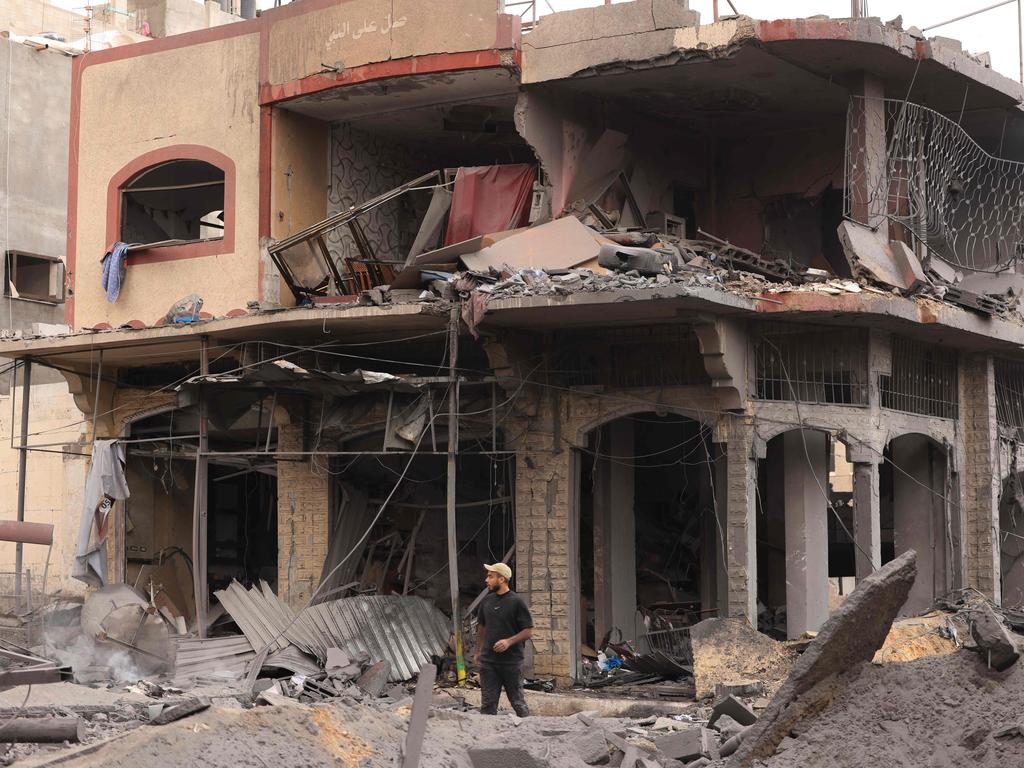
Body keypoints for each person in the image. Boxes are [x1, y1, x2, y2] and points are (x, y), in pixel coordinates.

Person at [473, 562, 533, 717]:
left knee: (517, 702)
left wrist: (509, 641)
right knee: (488, 705)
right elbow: (482, 627)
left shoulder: (516, 602)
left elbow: (528, 631)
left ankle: (527, 731)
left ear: (502, 579)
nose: (486, 580)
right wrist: (478, 650)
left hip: (511, 663)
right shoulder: (486, 601)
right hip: (488, 662)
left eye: (490, 576)